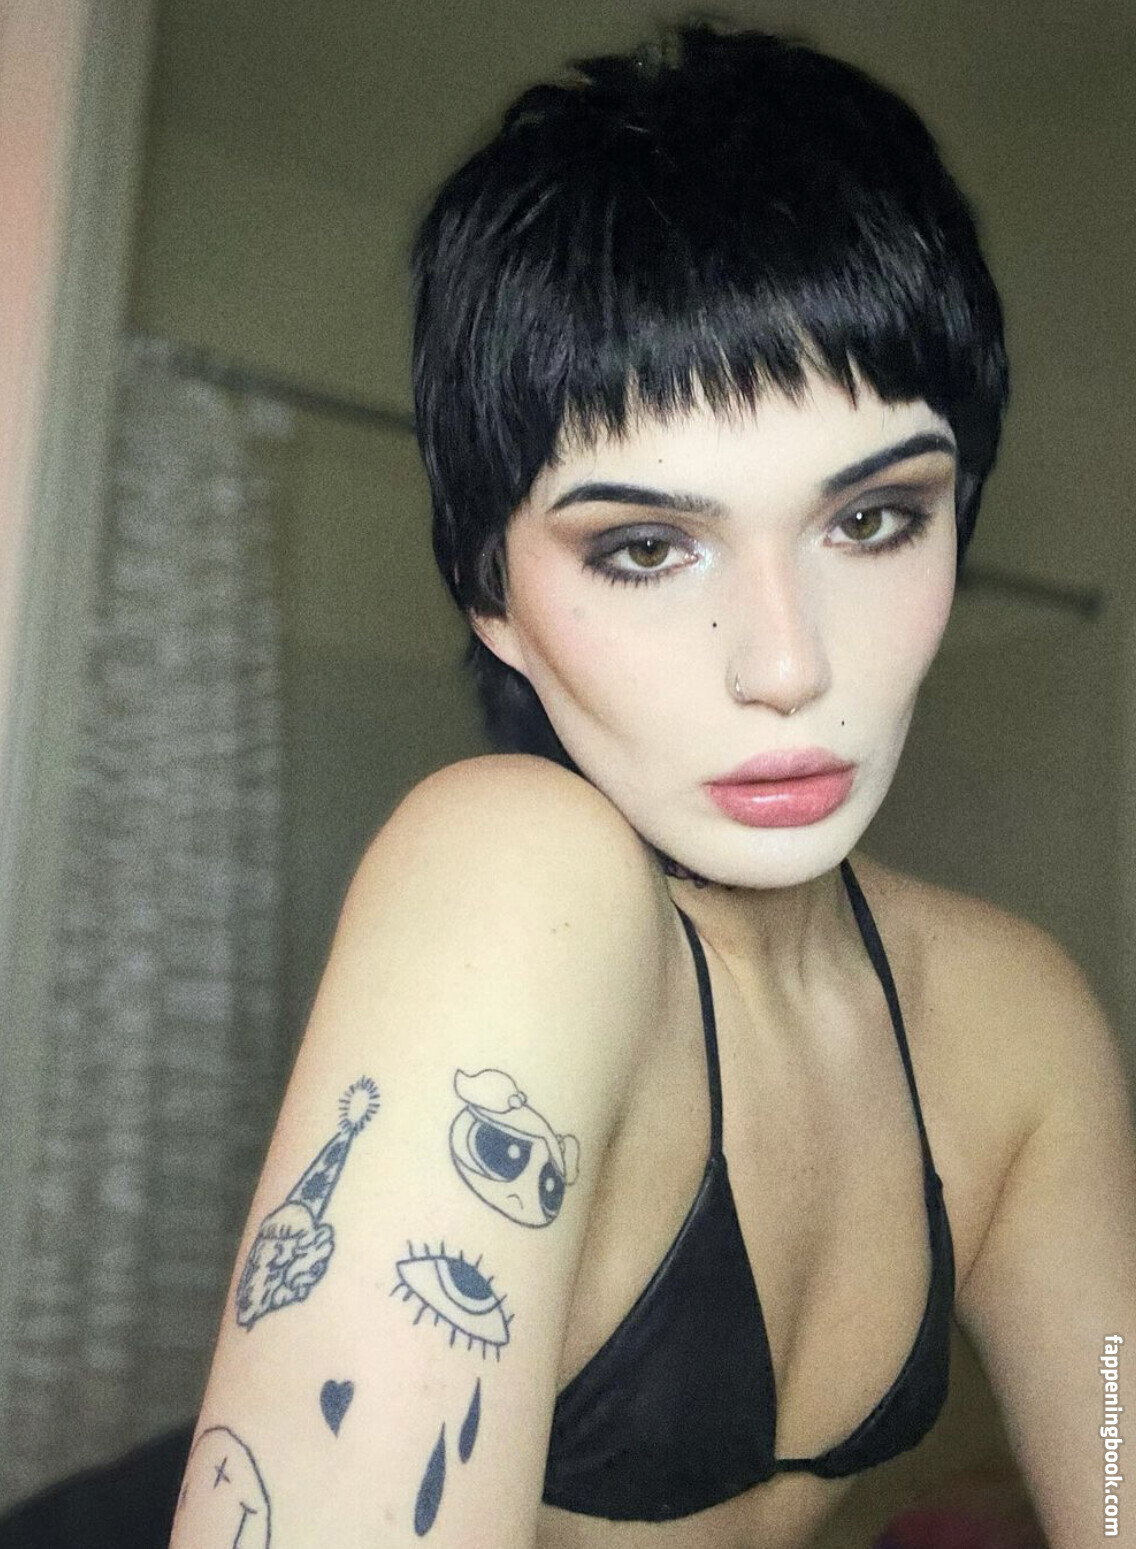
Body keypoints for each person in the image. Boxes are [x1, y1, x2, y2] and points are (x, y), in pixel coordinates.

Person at [169, 23, 1136, 1549]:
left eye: (874, 520)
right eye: (643, 548)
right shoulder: (512, 871)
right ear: (494, 599)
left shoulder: (1020, 1022)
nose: (787, 663)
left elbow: (1120, 1461)